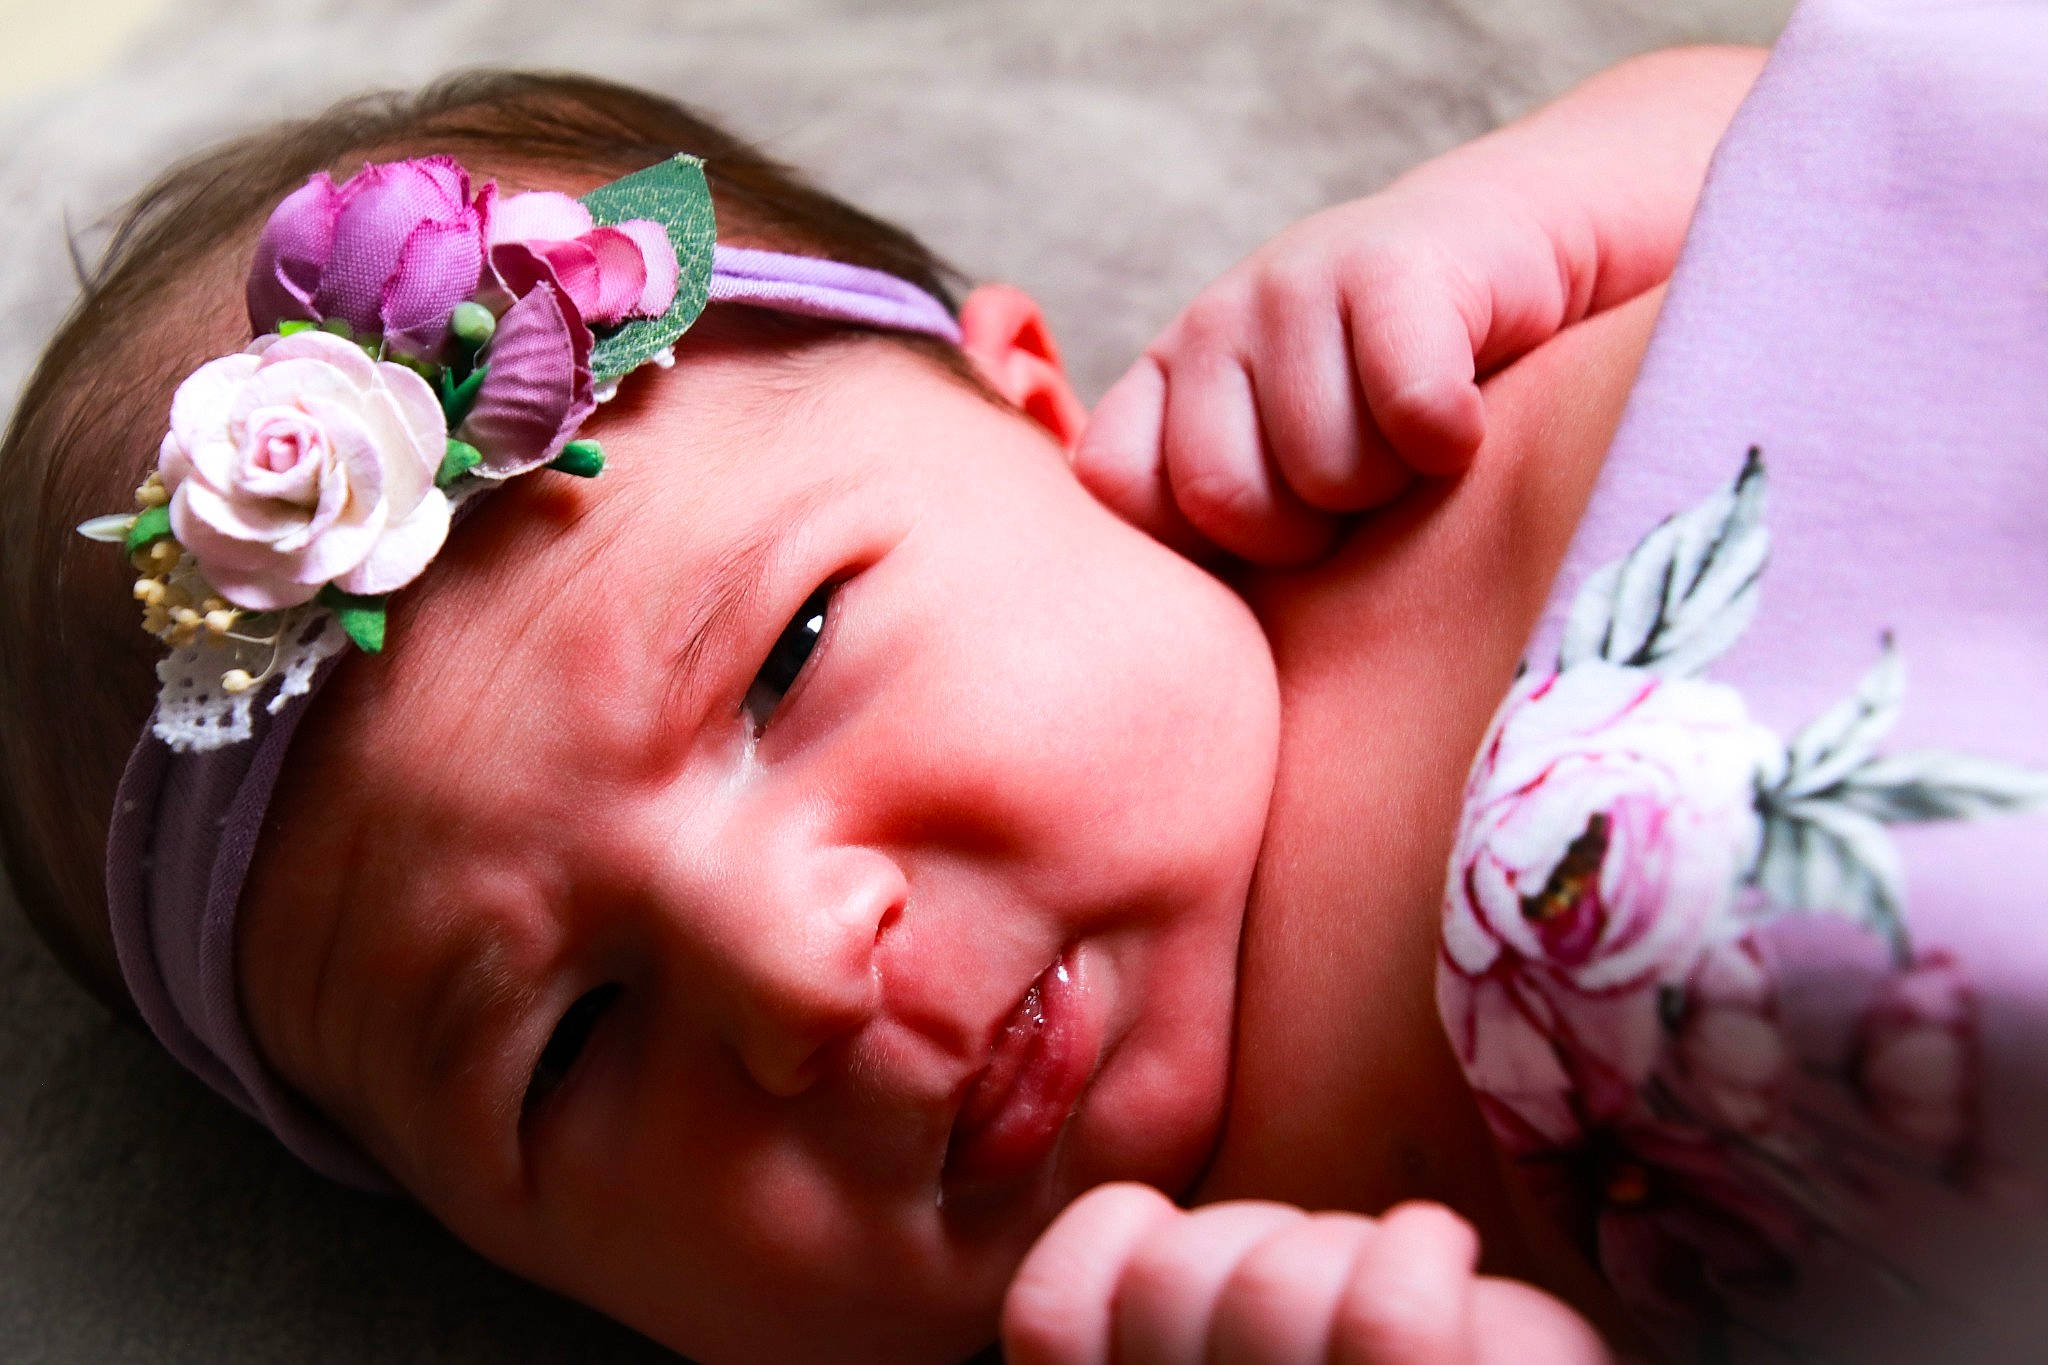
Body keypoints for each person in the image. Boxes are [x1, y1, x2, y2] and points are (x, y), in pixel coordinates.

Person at [6, 1, 2043, 1358]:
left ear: (1028, 393)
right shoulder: (1195, 1310)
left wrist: (1504, 212)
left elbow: (1877, 130)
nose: (796, 963)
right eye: (566, 1044)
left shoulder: (1339, 417)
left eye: (790, 658)